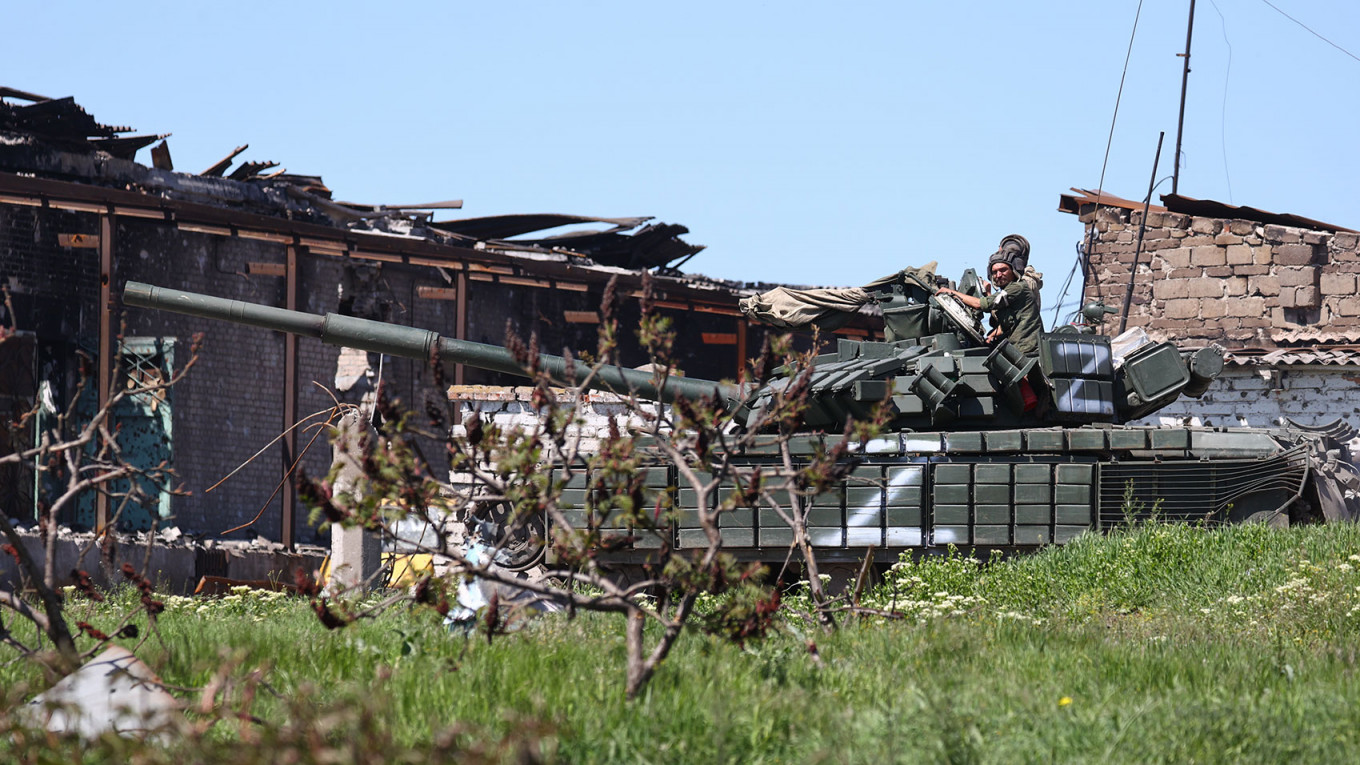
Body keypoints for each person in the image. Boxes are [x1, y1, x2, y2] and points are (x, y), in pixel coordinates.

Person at [936, 234, 1044, 355]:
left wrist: (951, 292)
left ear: (1014, 270)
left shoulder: (1018, 287)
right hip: (1019, 349)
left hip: (1028, 351)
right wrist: (992, 336)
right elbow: (1007, 322)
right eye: (994, 272)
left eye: (1003, 270)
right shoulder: (1007, 292)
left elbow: (981, 304)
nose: (998, 275)